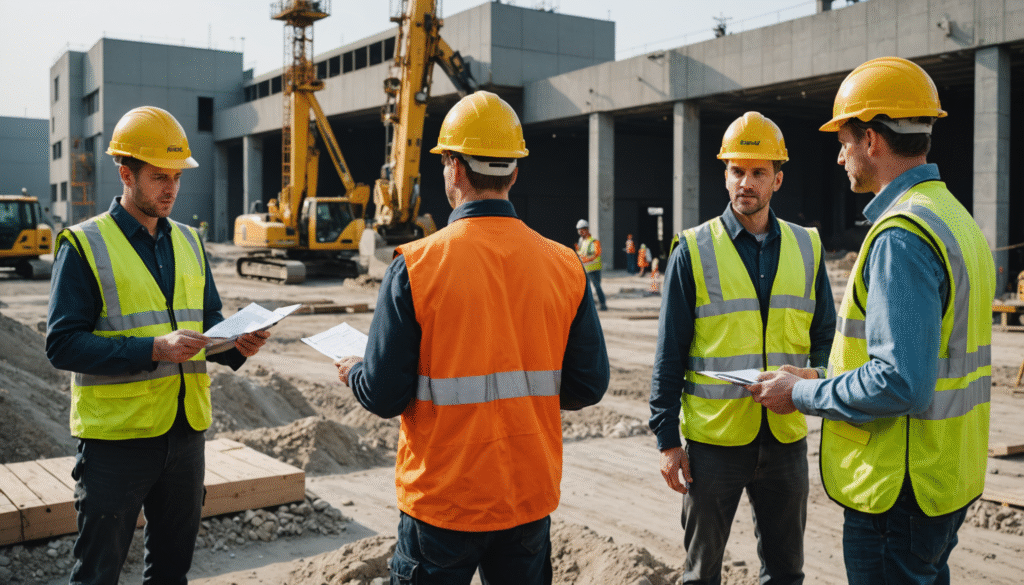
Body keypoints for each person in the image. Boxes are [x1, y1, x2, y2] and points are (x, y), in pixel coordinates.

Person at [334, 91, 609, 585]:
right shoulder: (566, 264)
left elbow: (384, 393)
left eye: (445, 162)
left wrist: (354, 371)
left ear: (455, 169)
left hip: (443, 503)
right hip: (526, 498)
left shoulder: (416, 266)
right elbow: (587, 385)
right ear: (514, 172)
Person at [749, 57, 996, 585]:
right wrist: (819, 377)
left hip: (897, 490)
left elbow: (900, 380)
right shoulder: (953, 217)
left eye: (844, 141)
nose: (840, 157)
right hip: (943, 476)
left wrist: (800, 395)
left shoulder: (901, 235)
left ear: (873, 140)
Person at [46, 106, 270, 584]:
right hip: (116, 443)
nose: (170, 189)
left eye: (176, 177)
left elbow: (207, 319)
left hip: (185, 435)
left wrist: (236, 344)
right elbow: (63, 345)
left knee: (171, 572)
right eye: (158, 177)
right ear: (126, 174)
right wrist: (151, 349)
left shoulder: (189, 241)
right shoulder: (84, 245)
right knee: (97, 573)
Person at [649, 111, 836, 585]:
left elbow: (826, 340)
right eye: (736, 170)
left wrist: (810, 380)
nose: (745, 182)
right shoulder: (693, 250)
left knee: (786, 573)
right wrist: (668, 442)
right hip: (714, 444)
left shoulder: (807, 246)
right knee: (700, 573)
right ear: (725, 174)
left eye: (757, 172)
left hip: (786, 435)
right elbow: (669, 354)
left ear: (777, 177)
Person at [575, 219, 607, 310]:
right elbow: (581, 253)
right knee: (590, 288)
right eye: (579, 230)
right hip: (587, 269)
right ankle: (598, 304)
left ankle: (602, 304)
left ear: (587, 230)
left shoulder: (594, 241)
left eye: (582, 230)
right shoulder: (582, 241)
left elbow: (596, 253)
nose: (580, 232)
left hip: (594, 268)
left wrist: (585, 259)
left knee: (596, 287)